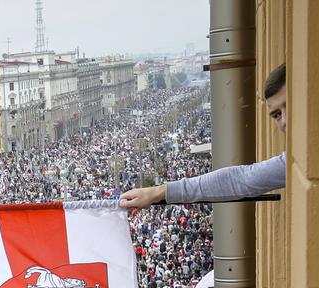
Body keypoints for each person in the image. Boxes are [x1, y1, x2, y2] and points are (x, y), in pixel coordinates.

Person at [120, 63, 287, 209]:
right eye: (277, 114)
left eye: (289, 105)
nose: (285, 121)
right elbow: (240, 179)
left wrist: (159, 191)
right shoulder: (292, 161)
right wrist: (158, 191)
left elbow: (241, 179)